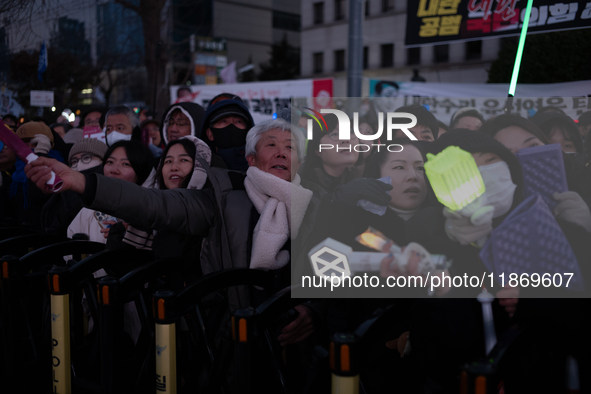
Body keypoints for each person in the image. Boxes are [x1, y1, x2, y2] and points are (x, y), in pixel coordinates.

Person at [480, 114, 591, 213]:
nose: (525, 157)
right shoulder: (487, 211)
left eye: (533, 146)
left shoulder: (584, 183)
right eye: (510, 154)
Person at [41, 138, 108, 235]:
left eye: (86, 158)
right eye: (74, 161)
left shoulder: (108, 191)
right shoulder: (61, 192)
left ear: (102, 161)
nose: (79, 164)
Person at [298, 112, 362, 194]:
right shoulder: (302, 191)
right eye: (334, 134)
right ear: (317, 150)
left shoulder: (375, 179)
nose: (345, 139)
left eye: (350, 132)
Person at [201, 94, 255, 171]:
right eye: (223, 121)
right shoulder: (199, 169)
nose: (231, 126)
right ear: (210, 133)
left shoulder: (263, 164)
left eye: (238, 121)